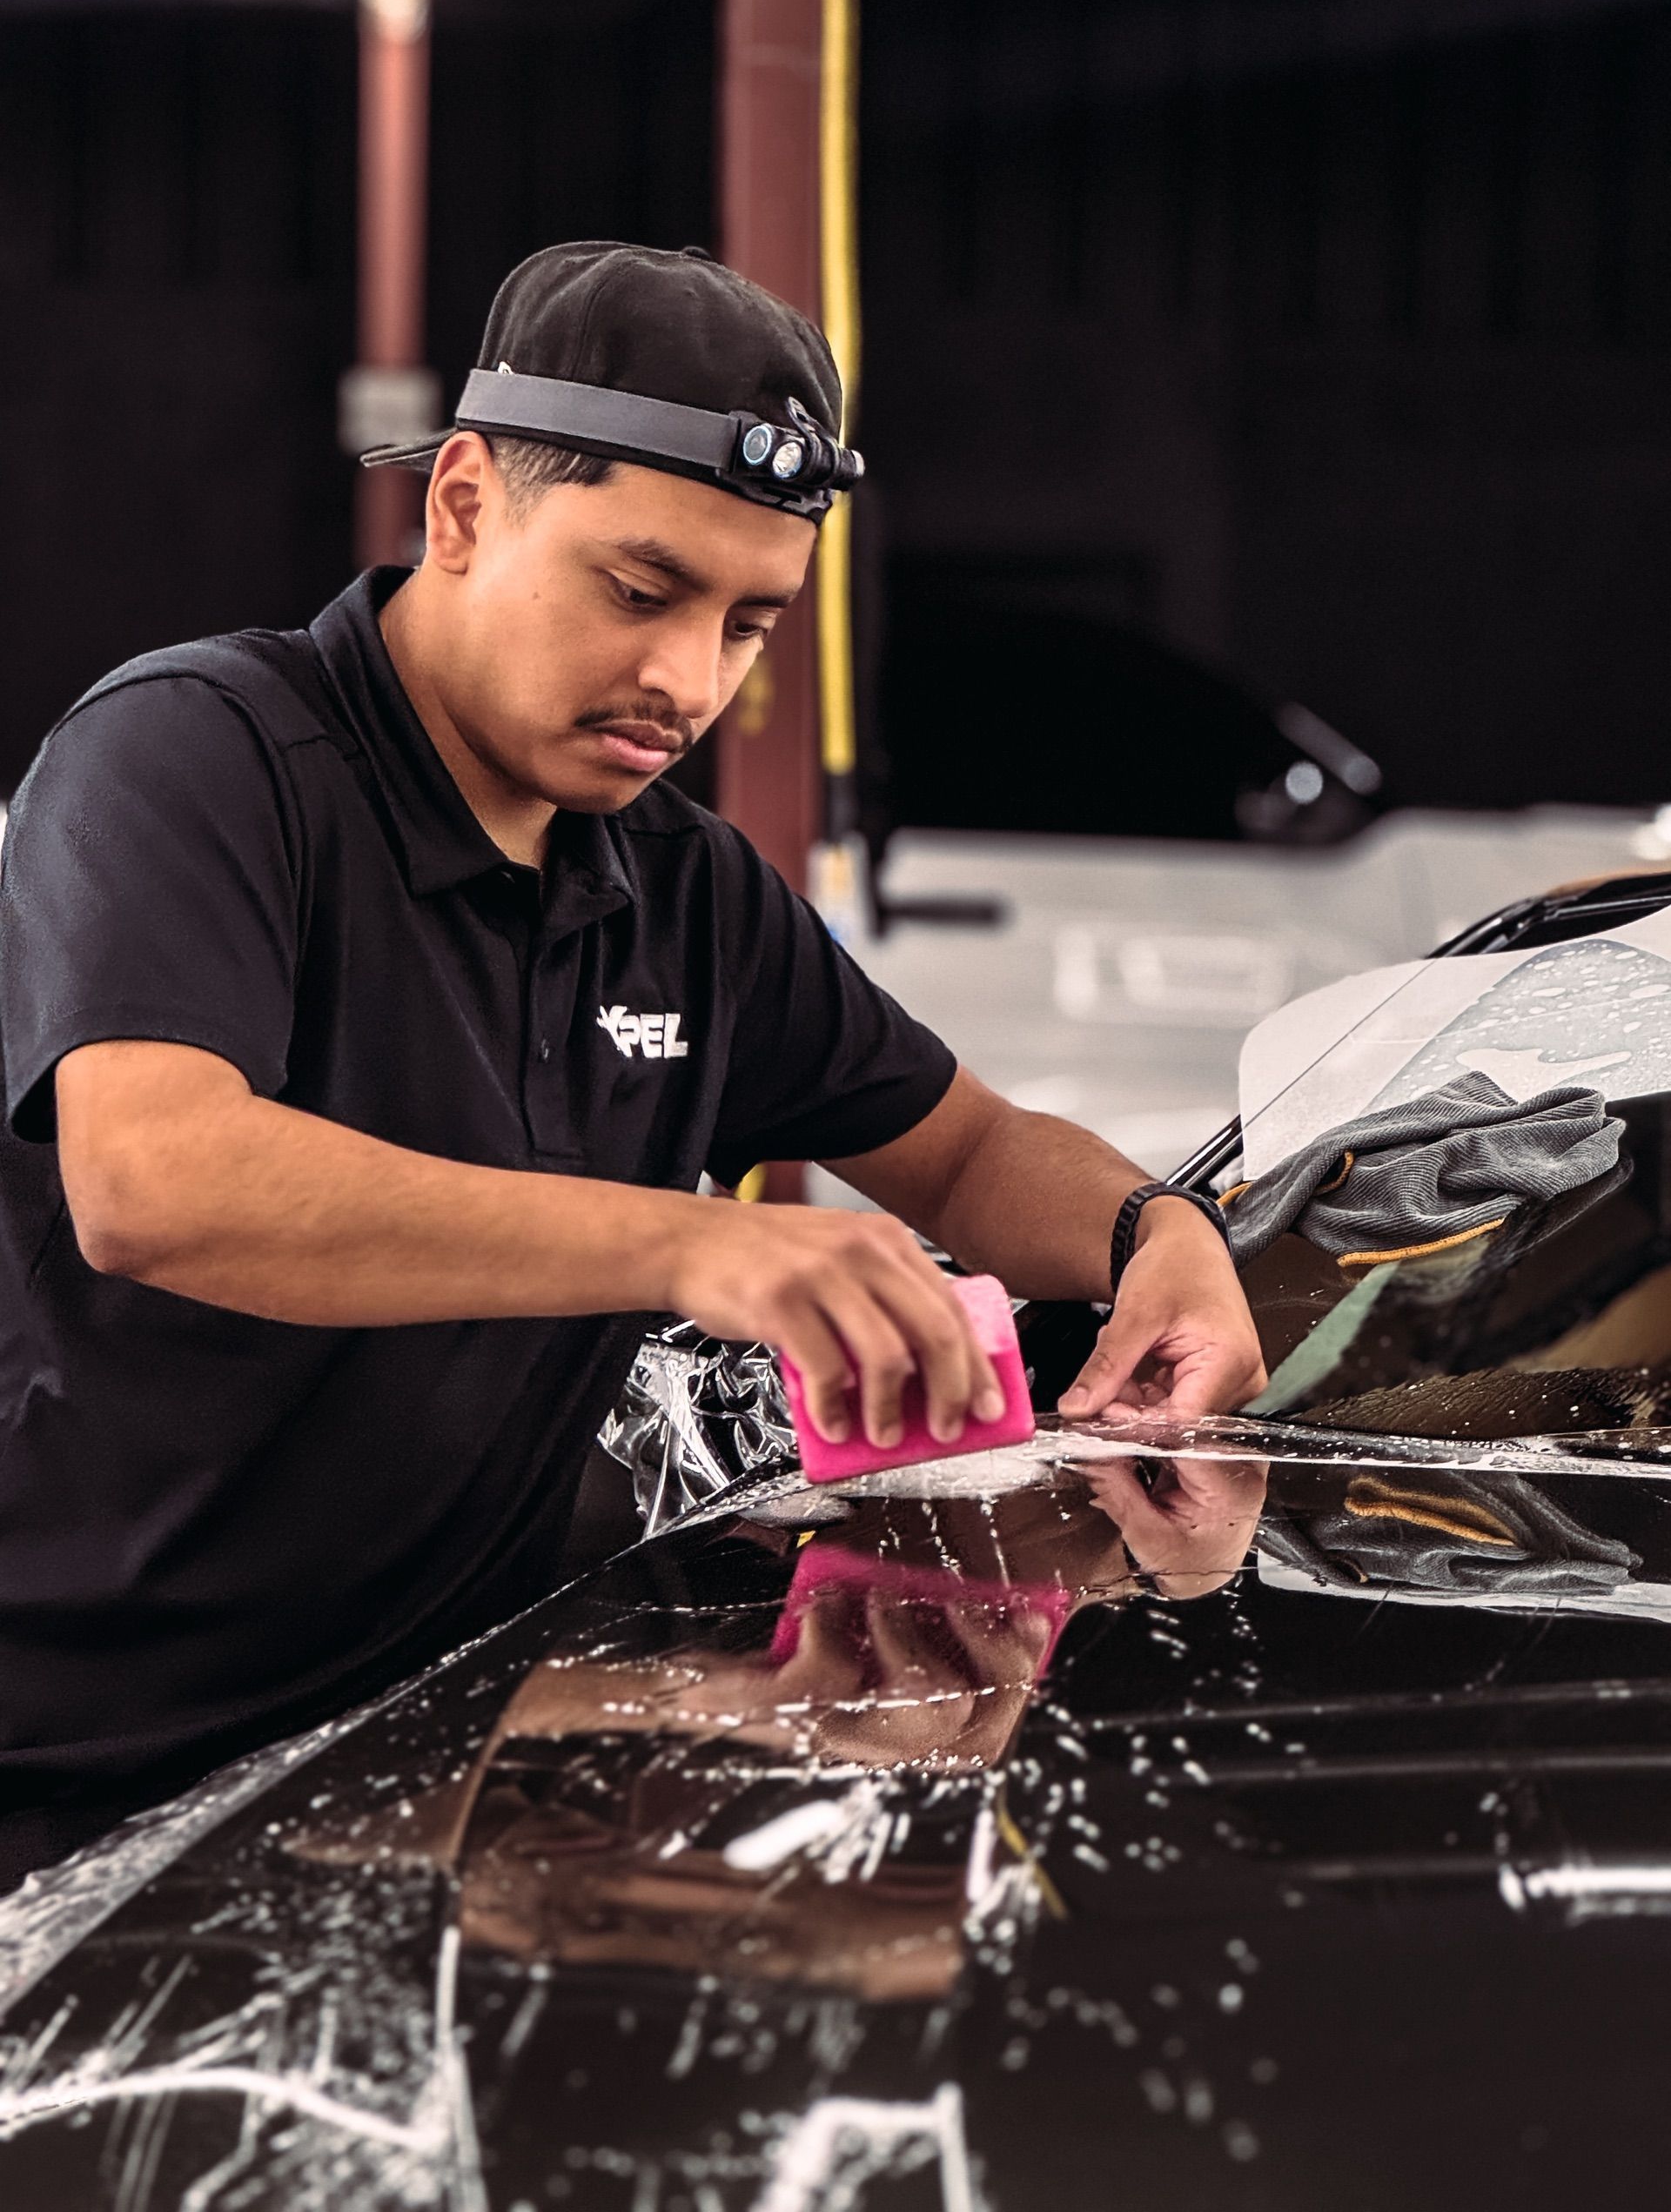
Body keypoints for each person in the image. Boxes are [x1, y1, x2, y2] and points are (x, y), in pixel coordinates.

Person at [0, 242, 1263, 1886]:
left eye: (751, 620)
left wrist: (1162, 1238)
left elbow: (961, 1151)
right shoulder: (201, 756)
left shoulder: (684, 890)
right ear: (464, 504)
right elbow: (156, 1182)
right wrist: (695, 1238)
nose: (693, 682)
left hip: (432, 1759)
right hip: (78, 1782)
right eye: (639, 587)